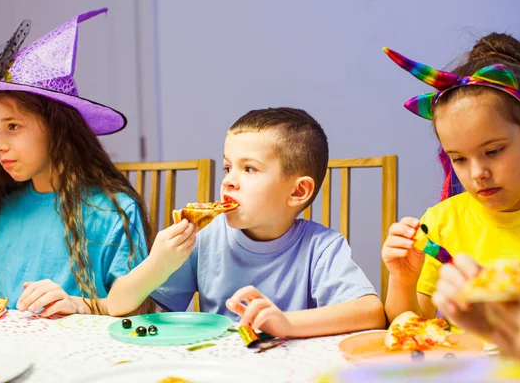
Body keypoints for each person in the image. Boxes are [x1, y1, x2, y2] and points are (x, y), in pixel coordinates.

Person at [0, 8, 155, 317]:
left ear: (58, 129)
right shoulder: (9, 207)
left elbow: (134, 308)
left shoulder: (113, 210)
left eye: (13, 126)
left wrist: (77, 305)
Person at [108, 107, 385, 338]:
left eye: (249, 168)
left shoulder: (322, 248)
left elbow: (371, 313)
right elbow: (117, 305)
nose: (228, 180)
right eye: (228, 167)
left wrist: (287, 324)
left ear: (298, 192)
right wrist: (158, 264)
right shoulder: (205, 238)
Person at [381, 33, 520, 322]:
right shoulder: (440, 224)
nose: (477, 174)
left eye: (494, 151)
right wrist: (403, 279)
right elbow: (410, 328)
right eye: (459, 159)